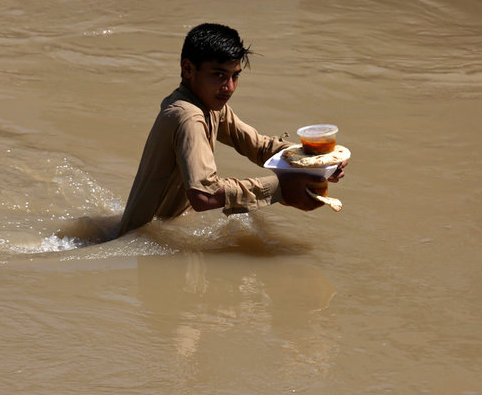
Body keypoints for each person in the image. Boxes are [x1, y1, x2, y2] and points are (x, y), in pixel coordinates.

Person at [116, 23, 346, 238]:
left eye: (235, 76)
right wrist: (282, 187)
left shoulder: (211, 106)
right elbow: (204, 195)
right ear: (188, 69)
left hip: (164, 230)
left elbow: (261, 147)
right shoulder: (187, 117)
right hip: (140, 237)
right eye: (218, 75)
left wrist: (316, 161)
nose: (229, 87)